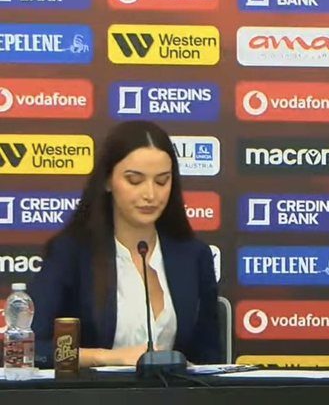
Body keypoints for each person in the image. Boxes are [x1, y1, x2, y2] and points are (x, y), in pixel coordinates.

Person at [29, 120, 219, 367]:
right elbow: (32, 347)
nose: (150, 194)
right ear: (108, 181)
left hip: (174, 391)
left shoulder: (194, 256)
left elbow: (211, 358)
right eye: (134, 180)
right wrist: (107, 358)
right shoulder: (71, 253)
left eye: (162, 181)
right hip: (93, 391)